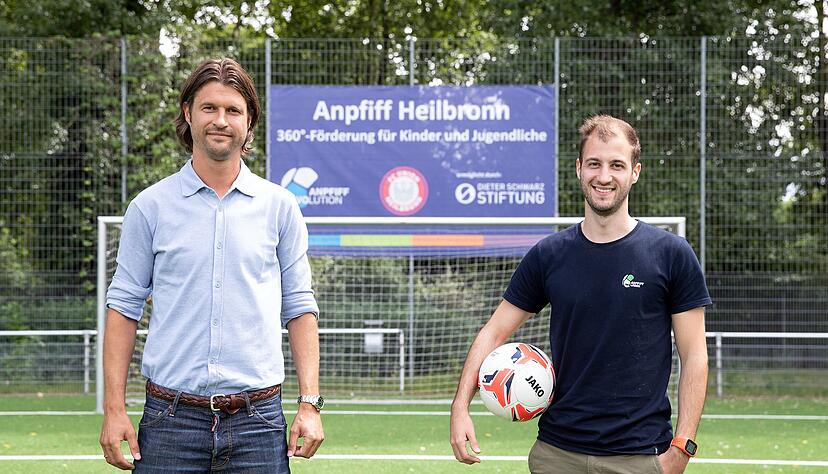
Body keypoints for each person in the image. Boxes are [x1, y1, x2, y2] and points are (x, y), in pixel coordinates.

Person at [450, 115, 711, 474]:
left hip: (639, 456)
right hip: (556, 454)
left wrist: (682, 447)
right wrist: (460, 406)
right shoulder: (549, 255)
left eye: (616, 165)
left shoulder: (671, 254)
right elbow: (493, 333)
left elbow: (694, 355)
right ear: (578, 168)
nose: (604, 176)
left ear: (635, 172)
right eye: (594, 164)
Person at [99, 58, 324, 472]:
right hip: (170, 421)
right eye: (209, 108)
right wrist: (113, 409)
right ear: (188, 113)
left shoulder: (280, 207)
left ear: (249, 122)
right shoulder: (150, 207)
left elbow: (299, 306)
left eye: (233, 110)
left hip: (259, 423)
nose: (221, 120)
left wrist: (309, 404)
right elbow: (123, 307)